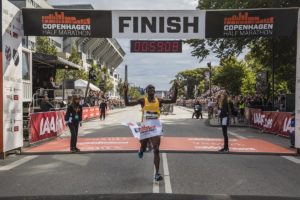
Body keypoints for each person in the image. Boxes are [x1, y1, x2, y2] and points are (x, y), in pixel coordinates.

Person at [124, 82, 178, 181]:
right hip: (145, 126)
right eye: (150, 89)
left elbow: (173, 100)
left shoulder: (159, 100)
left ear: (154, 91)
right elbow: (127, 104)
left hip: (156, 126)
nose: (152, 90)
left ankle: (157, 173)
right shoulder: (143, 100)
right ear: (146, 91)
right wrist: (125, 92)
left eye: (153, 89)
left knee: (156, 149)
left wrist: (176, 89)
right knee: (144, 147)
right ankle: (141, 148)